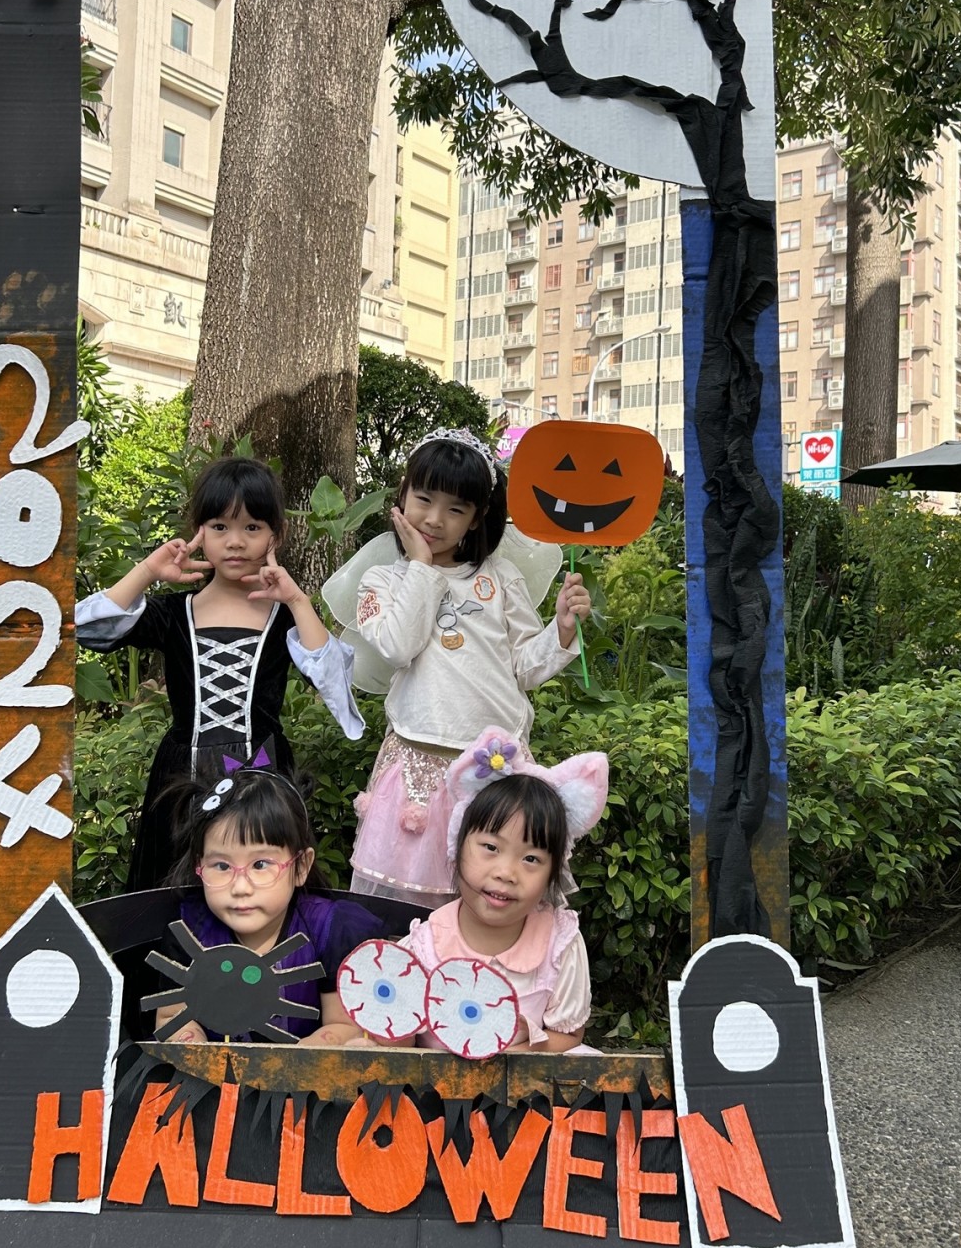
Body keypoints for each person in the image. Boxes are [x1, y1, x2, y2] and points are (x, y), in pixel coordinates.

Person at [76, 456, 363, 890]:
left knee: (260, 890)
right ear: (199, 532)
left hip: (263, 777)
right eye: (219, 526)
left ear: (276, 534)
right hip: (181, 780)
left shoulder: (286, 618)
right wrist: (149, 571)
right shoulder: (175, 614)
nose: (235, 541)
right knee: (175, 897)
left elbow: (335, 683)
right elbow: (86, 628)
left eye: (252, 527)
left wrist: (297, 601)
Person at [345, 427, 590, 907]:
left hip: (495, 765)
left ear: (477, 518)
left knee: (494, 897)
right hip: (416, 762)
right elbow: (397, 646)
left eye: (456, 509)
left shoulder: (500, 577)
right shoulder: (381, 581)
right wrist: (421, 566)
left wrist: (561, 629)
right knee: (407, 909)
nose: (435, 519)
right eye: (424, 499)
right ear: (402, 497)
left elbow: (523, 667)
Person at [361, 729, 607, 1053]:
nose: (506, 873)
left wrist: (512, 1059)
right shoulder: (422, 948)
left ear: (552, 873)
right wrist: (393, 1023)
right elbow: (399, 1046)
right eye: (490, 847)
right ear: (457, 847)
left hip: (526, 1082)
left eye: (531, 859)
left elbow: (569, 1036)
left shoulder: (559, 946)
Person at [154, 767, 382, 1047]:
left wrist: (302, 1057)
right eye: (221, 866)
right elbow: (173, 1015)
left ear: (301, 866)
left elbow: (344, 1025)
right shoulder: (189, 933)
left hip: (307, 1072)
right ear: (199, 865)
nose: (240, 887)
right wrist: (194, 1049)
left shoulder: (330, 931)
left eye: (261, 865)